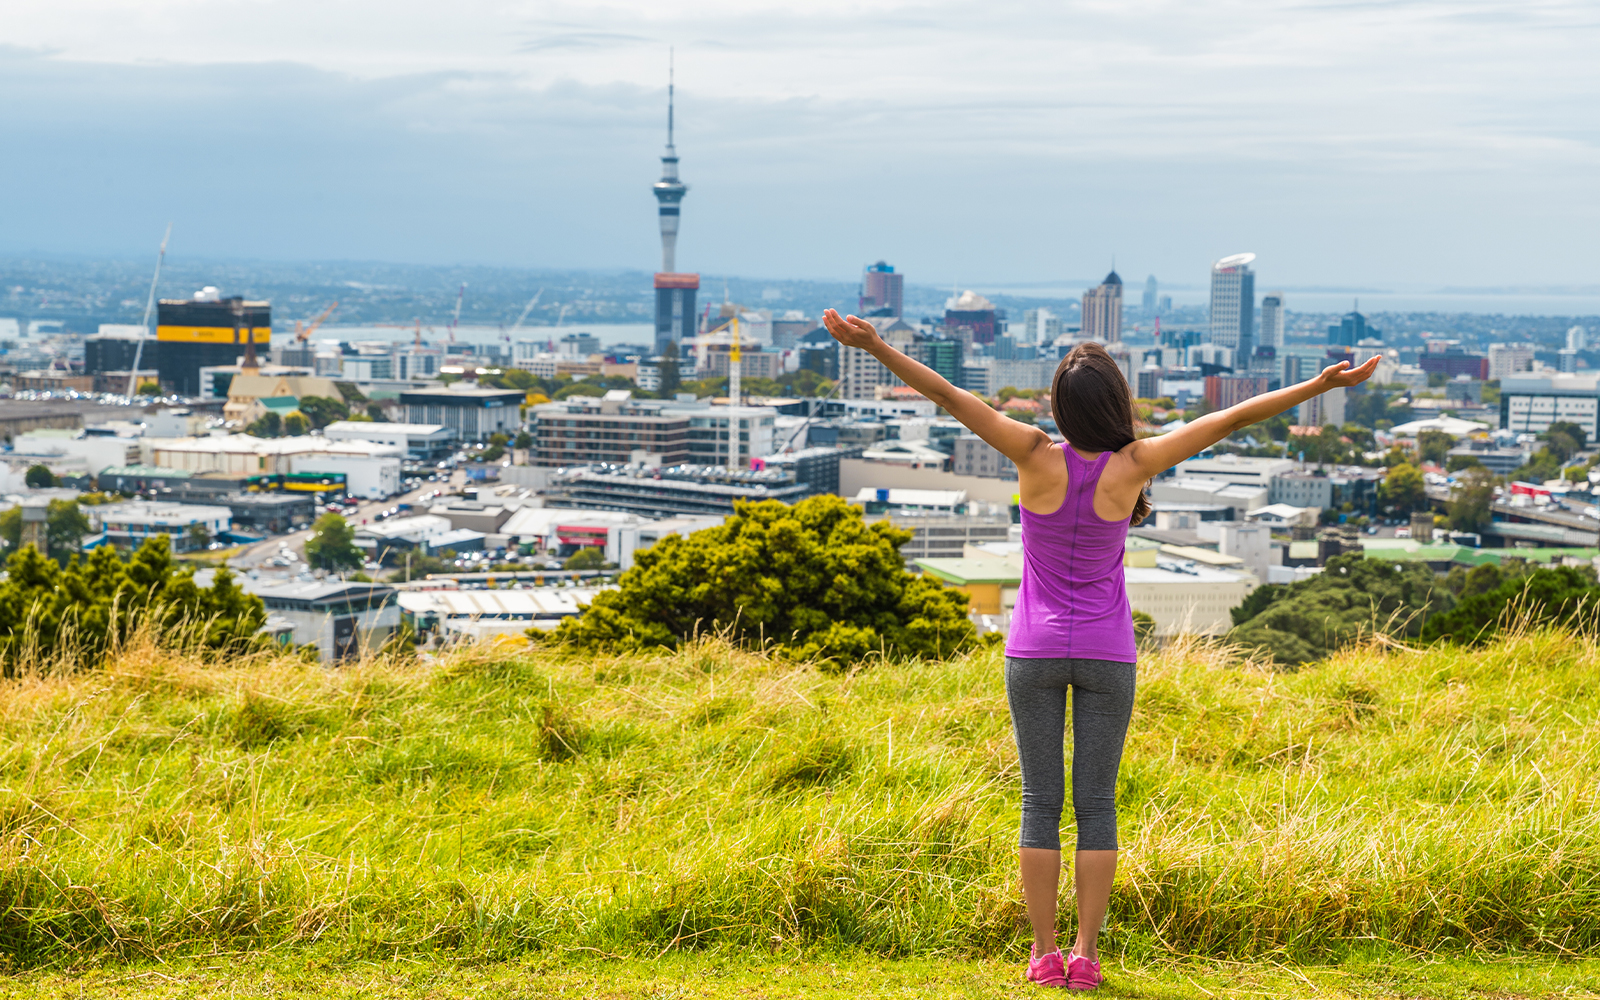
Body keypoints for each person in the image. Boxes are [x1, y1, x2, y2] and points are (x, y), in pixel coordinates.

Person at [821, 309, 1375, 990]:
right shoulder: (1136, 464)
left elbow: (944, 394)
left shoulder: (1030, 451)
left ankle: (1043, 954)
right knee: (1098, 804)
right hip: (1109, 653)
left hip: (1033, 650)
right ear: (1117, 405)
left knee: (1038, 803)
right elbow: (1230, 422)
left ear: (1058, 404)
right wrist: (1315, 387)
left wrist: (875, 345)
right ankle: (1085, 954)